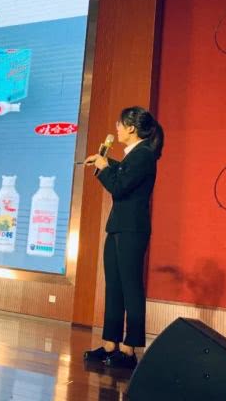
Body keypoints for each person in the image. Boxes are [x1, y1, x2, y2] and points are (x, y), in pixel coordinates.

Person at [82, 106, 165, 369]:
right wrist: (105, 163)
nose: (116, 129)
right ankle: (111, 344)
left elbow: (119, 186)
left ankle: (129, 350)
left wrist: (105, 167)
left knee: (131, 287)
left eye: (119, 124)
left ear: (131, 128)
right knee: (114, 286)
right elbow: (123, 175)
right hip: (118, 226)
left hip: (132, 229)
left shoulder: (144, 155)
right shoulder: (134, 155)